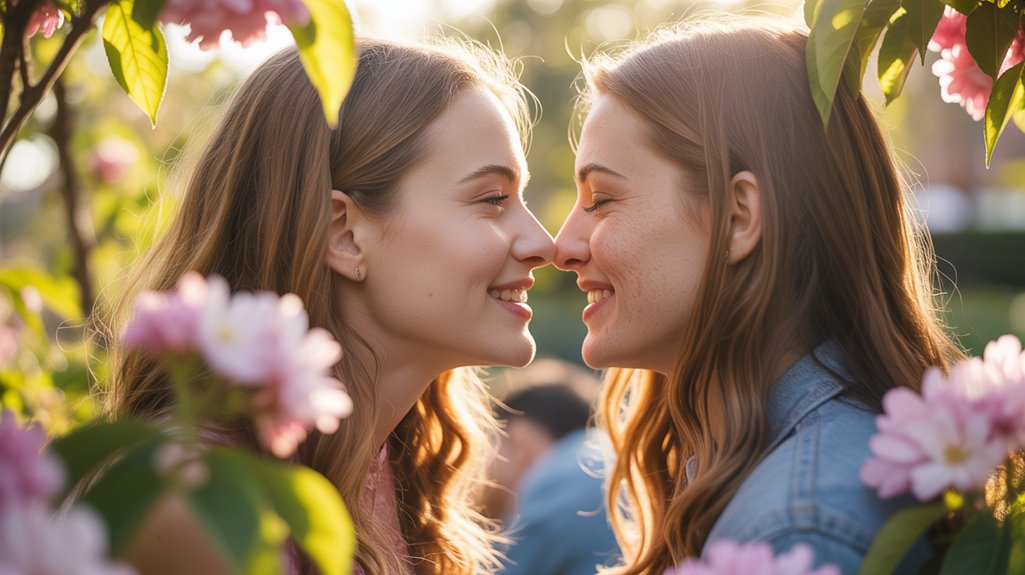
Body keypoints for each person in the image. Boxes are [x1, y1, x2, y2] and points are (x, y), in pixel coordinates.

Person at [104, 36, 555, 575]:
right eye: (493, 199)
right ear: (343, 234)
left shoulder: (402, 477)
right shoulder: (195, 504)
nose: (544, 243)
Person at [553, 16, 964, 575]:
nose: (563, 246)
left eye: (601, 199)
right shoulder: (772, 476)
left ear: (737, 217)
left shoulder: (800, 533)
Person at [482, 361, 620, 574]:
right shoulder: (610, 458)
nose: (483, 468)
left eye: (490, 444)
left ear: (520, 440)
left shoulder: (560, 480)